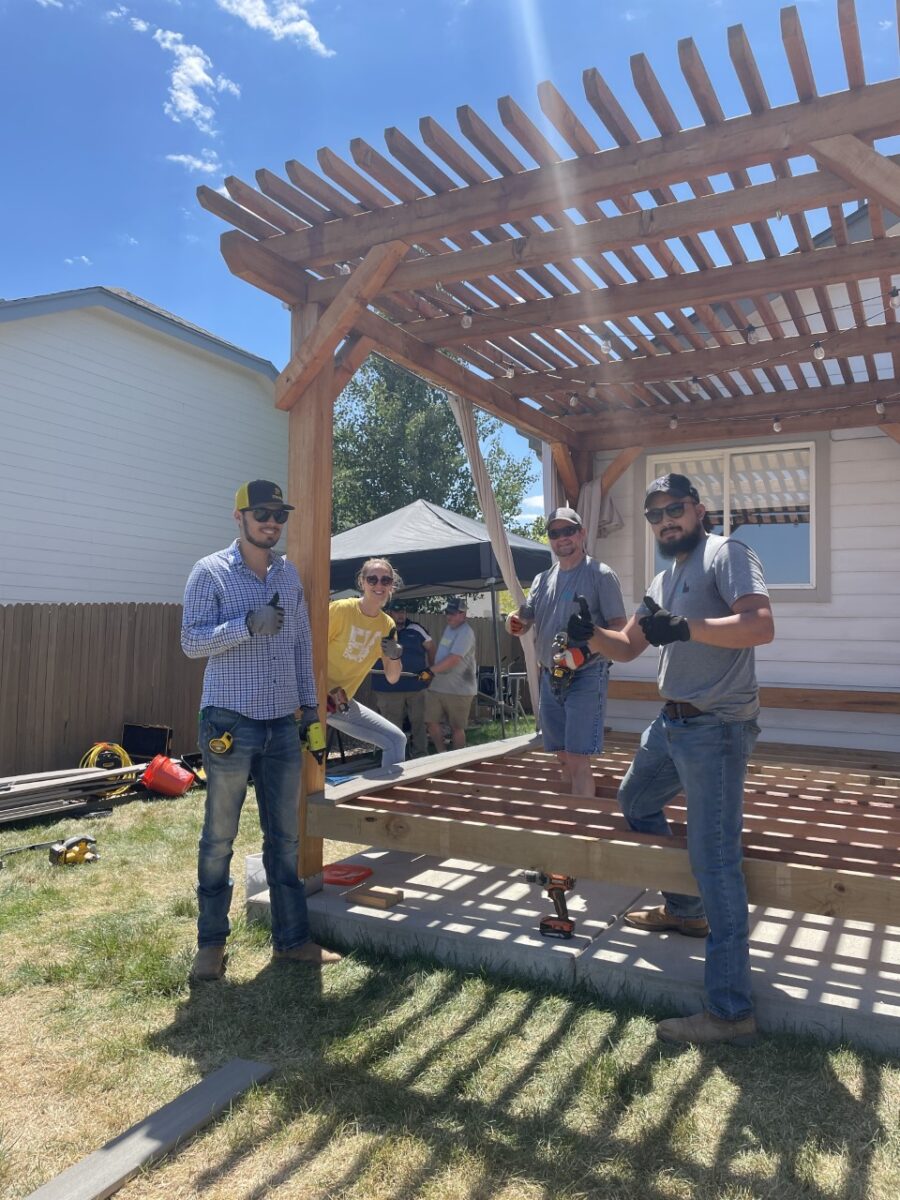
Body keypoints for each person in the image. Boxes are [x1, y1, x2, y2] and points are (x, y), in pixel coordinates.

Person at [573, 473, 774, 1047]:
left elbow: (761, 625)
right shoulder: (664, 577)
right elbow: (630, 647)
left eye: (675, 508)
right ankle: (686, 911)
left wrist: (687, 627)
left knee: (716, 864)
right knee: (636, 799)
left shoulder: (725, 553)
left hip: (717, 727)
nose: (665, 519)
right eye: (655, 513)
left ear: (699, 509)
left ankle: (731, 1012)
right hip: (671, 724)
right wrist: (591, 636)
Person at [181, 479, 341, 982]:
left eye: (279, 515)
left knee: (286, 838)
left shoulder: (289, 575)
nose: (272, 522)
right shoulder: (209, 572)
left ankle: (292, 939)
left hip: (281, 723)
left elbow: (298, 646)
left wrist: (311, 711)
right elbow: (190, 641)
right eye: (263, 513)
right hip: (228, 722)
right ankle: (211, 944)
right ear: (240, 518)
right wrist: (246, 625)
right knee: (219, 838)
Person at [506, 507, 626, 797]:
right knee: (561, 754)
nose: (562, 538)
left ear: (582, 533)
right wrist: (514, 621)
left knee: (578, 758)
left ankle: (582, 829)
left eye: (568, 530)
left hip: (585, 674)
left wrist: (585, 652)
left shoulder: (601, 575)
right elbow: (526, 619)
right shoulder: (542, 579)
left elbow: (620, 628)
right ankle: (569, 816)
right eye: (555, 533)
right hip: (551, 675)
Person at [327, 558, 408, 768]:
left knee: (396, 740)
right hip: (309, 700)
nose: (379, 585)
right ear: (362, 582)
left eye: (385, 580)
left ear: (392, 585)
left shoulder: (387, 624)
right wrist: (314, 696)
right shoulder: (340, 610)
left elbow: (392, 677)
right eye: (372, 579)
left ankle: (390, 795)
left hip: (339, 703)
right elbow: (306, 649)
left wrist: (395, 656)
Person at [371, 601, 435, 759]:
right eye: (397, 611)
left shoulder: (416, 628)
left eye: (403, 611)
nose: (401, 615)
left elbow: (431, 647)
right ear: (390, 612)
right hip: (387, 688)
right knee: (391, 727)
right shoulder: (378, 628)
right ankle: (394, 760)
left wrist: (431, 671)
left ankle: (421, 757)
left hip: (416, 686)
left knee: (419, 724)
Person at [425, 597, 478, 751]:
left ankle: (458, 760)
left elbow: (454, 659)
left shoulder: (466, 632)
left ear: (463, 614)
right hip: (438, 686)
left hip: (459, 689)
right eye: (448, 612)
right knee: (430, 721)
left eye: (454, 613)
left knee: (457, 727)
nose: (450, 616)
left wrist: (430, 671)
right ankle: (442, 755)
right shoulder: (449, 628)